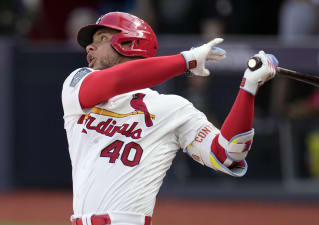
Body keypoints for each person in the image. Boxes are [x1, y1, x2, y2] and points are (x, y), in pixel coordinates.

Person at [61, 12, 278, 225]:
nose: (90, 46)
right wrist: (187, 60)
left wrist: (249, 87)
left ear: (129, 44)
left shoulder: (173, 108)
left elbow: (229, 153)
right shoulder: (77, 82)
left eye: (102, 38)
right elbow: (116, 81)